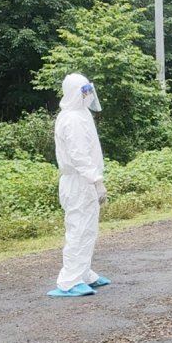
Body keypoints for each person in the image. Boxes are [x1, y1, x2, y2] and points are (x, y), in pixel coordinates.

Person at [47, 73, 110, 297]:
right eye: (84, 91)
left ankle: (83, 273)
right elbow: (78, 155)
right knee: (78, 229)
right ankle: (69, 281)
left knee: (88, 230)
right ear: (74, 92)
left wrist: (95, 180)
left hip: (86, 181)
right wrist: (97, 180)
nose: (88, 95)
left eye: (89, 90)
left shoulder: (83, 114)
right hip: (77, 182)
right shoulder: (71, 118)